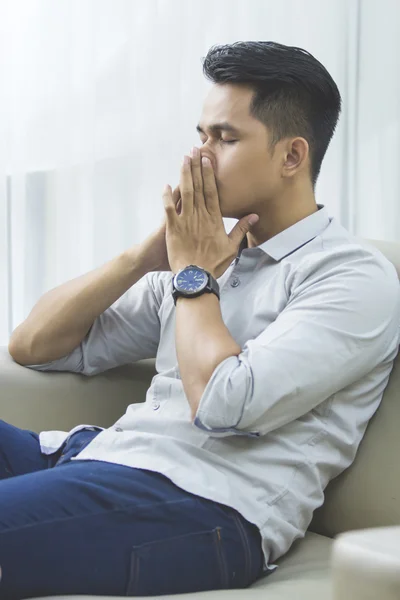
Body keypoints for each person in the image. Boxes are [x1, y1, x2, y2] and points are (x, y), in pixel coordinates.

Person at [5, 41, 400, 599]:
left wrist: (195, 276)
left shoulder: (350, 277)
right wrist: (144, 257)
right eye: (201, 135)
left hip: (206, 510)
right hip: (98, 455)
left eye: (225, 138)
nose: (199, 158)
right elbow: (33, 344)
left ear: (292, 157)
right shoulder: (210, 252)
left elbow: (225, 405)